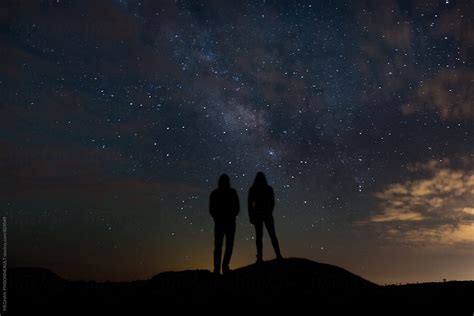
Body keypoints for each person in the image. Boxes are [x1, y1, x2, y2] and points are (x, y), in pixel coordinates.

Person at [248, 172, 282, 263]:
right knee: (272, 235)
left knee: (259, 236)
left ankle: (260, 258)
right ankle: (278, 255)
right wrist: (270, 211)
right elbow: (272, 202)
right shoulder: (268, 189)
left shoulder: (253, 189)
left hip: (258, 214)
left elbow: (250, 204)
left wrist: (251, 216)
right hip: (267, 214)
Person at [209, 174, 240, 274]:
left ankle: (218, 269)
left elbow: (211, 209)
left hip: (221, 223)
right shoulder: (232, 192)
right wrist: (232, 216)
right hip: (228, 222)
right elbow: (237, 207)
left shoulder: (215, 193)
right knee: (227, 246)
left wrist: (216, 218)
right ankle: (223, 267)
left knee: (219, 247)